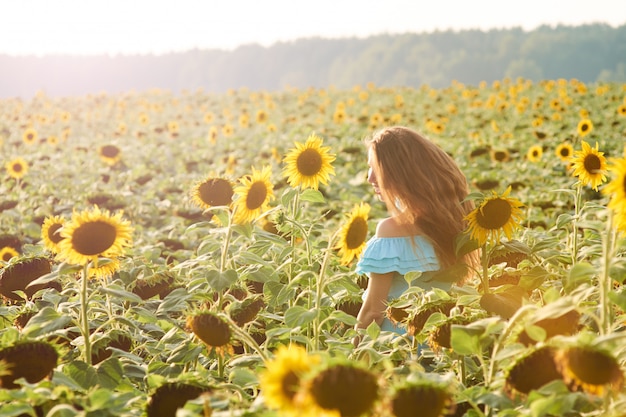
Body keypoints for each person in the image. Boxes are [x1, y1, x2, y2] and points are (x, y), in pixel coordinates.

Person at [354, 126, 479, 340]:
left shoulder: (390, 231)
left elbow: (373, 312)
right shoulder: (455, 223)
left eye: (376, 168)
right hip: (440, 344)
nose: (369, 178)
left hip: (393, 349)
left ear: (400, 172)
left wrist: (352, 350)